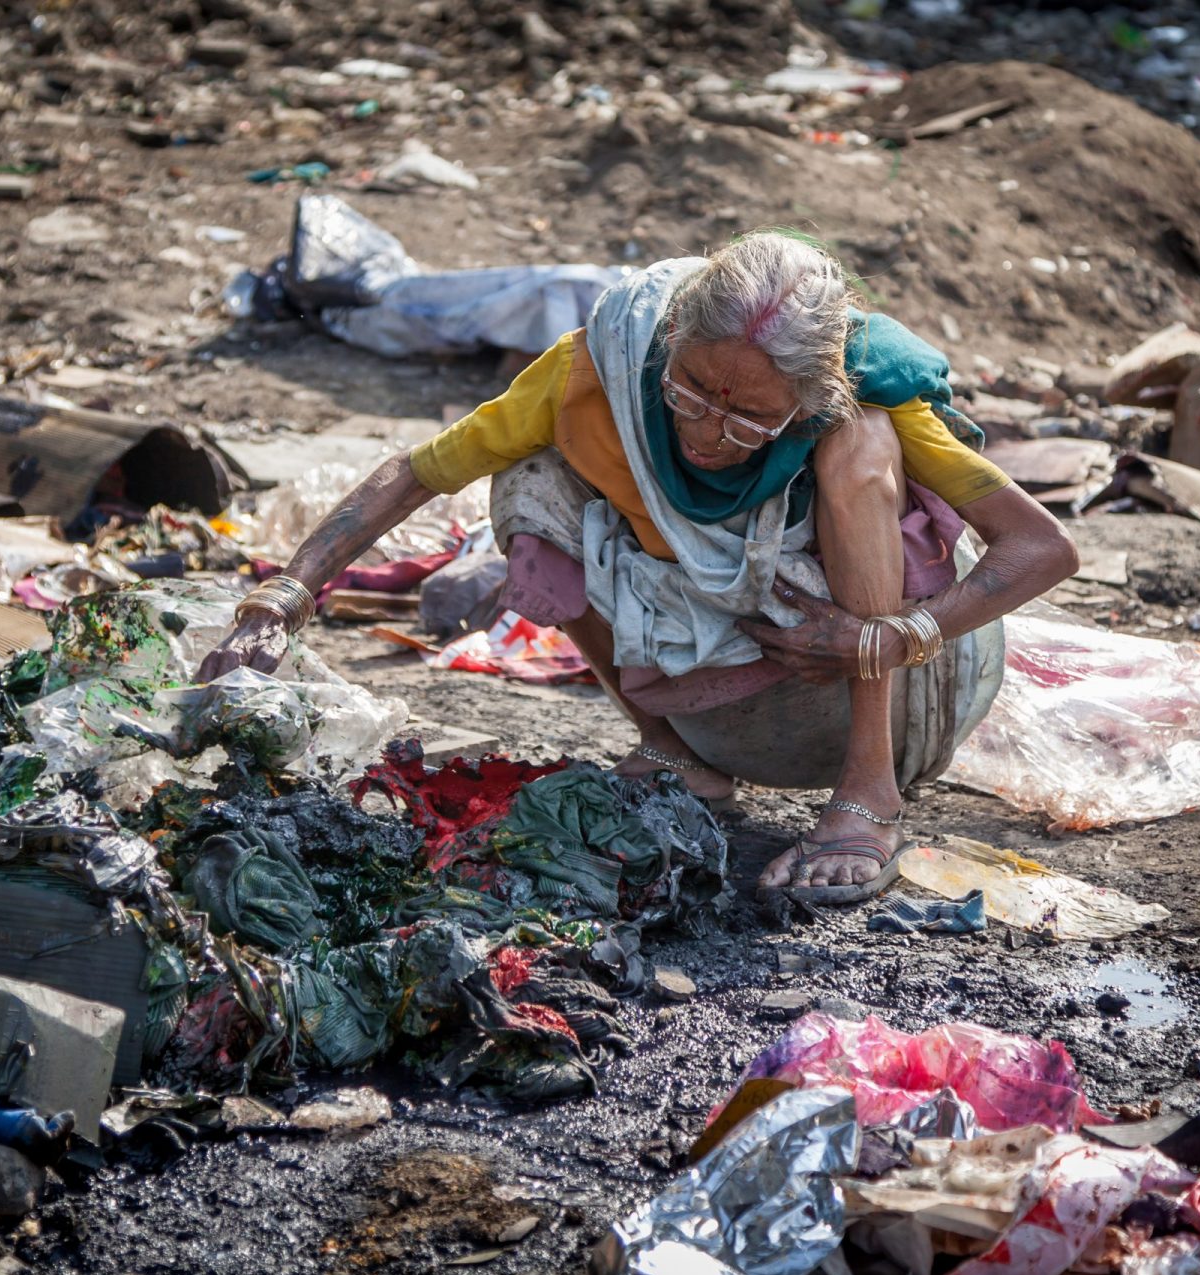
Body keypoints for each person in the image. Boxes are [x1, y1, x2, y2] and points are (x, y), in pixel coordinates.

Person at [200, 232, 1078, 900]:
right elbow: (418, 472)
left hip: (889, 680)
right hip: (709, 701)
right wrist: (283, 595)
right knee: (531, 477)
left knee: (863, 446)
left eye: (748, 420)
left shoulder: (850, 395)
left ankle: (869, 797)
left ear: (806, 397)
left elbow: (1044, 545)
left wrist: (891, 637)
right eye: (692, 393)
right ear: (668, 346)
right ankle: (670, 755)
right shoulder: (608, 363)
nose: (705, 432)